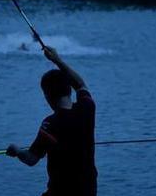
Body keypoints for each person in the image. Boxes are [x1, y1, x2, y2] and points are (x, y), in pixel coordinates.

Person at [6, 46, 97, 196]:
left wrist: (16, 151)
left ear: (47, 96)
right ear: (69, 89)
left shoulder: (50, 125)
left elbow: (31, 159)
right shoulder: (87, 109)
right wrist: (57, 60)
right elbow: (80, 84)